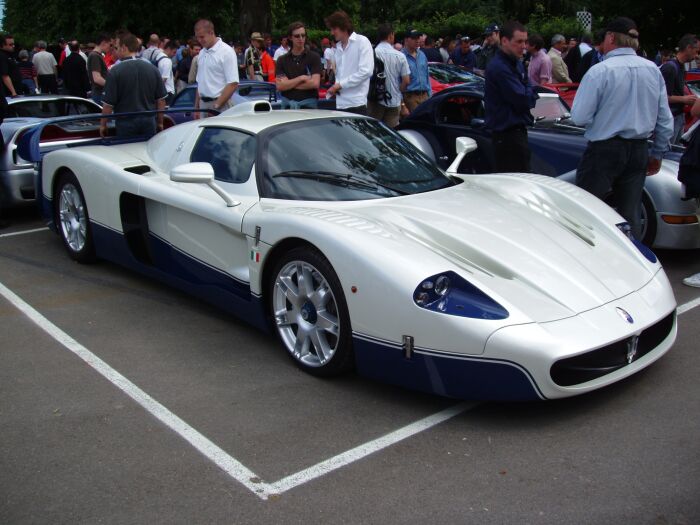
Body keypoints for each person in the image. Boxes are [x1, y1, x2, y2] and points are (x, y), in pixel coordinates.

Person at [571, 17, 674, 240]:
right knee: (631, 213)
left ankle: (589, 259)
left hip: (604, 150)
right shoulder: (653, 71)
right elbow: (665, 119)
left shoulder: (600, 71)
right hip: (638, 148)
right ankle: (632, 261)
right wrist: (657, 153)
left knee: (587, 209)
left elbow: (579, 117)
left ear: (610, 38)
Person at [484, 21, 538, 173]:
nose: (524, 46)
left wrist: (528, 90)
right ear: (505, 41)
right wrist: (528, 91)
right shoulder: (499, 68)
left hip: (517, 132)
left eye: (525, 41)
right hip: (507, 137)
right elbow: (523, 99)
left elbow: (528, 87)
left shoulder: (516, 63)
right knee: (514, 184)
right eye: (519, 41)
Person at [99, 33, 167, 138]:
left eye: (117, 47)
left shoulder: (115, 71)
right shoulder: (152, 69)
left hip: (126, 122)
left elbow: (108, 104)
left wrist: (103, 124)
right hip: (149, 121)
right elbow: (161, 100)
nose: (115, 51)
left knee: (127, 152)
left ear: (124, 47)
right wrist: (160, 122)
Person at [324, 10, 374, 115]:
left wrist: (339, 85)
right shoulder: (337, 48)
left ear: (344, 26)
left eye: (334, 29)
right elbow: (340, 75)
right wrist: (335, 87)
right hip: (340, 104)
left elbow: (366, 71)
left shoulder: (362, 42)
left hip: (356, 104)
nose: (332, 33)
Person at [193, 19, 239, 117]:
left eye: (202, 37)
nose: (199, 40)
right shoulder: (202, 53)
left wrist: (216, 106)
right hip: (203, 105)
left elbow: (233, 83)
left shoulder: (227, 51)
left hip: (221, 105)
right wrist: (196, 108)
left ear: (211, 32)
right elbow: (200, 82)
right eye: (197, 37)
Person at [367, 23, 410, 128]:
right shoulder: (400, 56)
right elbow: (406, 81)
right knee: (390, 134)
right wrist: (398, 91)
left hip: (375, 98)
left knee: (374, 131)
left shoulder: (371, 53)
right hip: (394, 100)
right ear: (391, 35)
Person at [661, 34, 699, 144]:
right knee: (667, 155)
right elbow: (661, 97)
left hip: (678, 117)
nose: (697, 56)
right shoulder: (670, 68)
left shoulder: (681, 67)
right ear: (688, 48)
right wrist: (684, 99)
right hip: (670, 118)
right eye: (696, 51)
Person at [275, 21, 322, 109]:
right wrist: (301, 78)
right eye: (297, 36)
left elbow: (315, 84)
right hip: (288, 106)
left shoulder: (314, 57)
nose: (301, 38)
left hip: (309, 107)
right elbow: (280, 86)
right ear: (290, 37)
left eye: (303, 35)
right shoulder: (282, 60)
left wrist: (289, 84)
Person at [401, 29, 431, 113]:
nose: (417, 40)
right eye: (414, 38)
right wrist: (402, 104)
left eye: (418, 38)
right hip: (410, 97)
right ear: (406, 40)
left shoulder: (422, 54)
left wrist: (429, 95)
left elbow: (426, 76)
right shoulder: (400, 56)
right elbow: (397, 81)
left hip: (424, 95)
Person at [88, 34, 111, 104]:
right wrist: (111, 85)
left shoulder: (96, 55)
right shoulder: (95, 56)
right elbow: (97, 78)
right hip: (99, 94)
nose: (110, 47)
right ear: (103, 43)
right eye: (109, 45)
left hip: (99, 93)